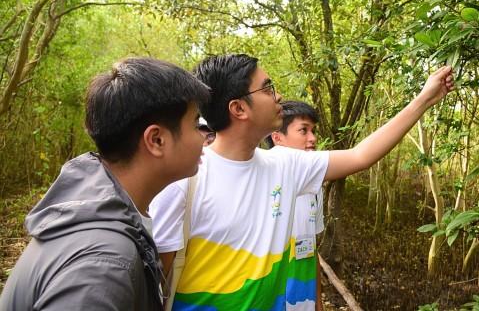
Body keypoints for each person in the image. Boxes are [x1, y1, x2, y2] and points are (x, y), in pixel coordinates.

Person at [149, 54, 454, 311]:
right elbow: (153, 287)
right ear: (238, 108)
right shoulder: (183, 182)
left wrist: (424, 99)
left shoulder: (286, 164)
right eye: (267, 88)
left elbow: (361, 155)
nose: (278, 96)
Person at [0, 58, 210, 310]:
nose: (204, 136)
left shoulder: (102, 215)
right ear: (156, 140)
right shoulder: (104, 265)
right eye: (196, 124)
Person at [266, 100, 324, 311]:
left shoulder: (315, 186)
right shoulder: (264, 180)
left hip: (302, 302)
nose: (313, 139)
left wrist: (318, 303)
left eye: (313, 131)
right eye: (303, 131)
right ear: (277, 137)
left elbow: (312, 249)